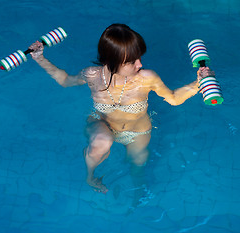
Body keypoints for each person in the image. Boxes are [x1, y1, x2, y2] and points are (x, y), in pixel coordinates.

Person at [29, 23, 213, 194]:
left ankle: (137, 195)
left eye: (139, 57)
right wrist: (40, 58)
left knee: (138, 166)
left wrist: (199, 82)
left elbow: (172, 98)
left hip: (137, 133)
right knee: (102, 140)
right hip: (102, 124)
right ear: (112, 60)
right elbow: (65, 81)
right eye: (132, 61)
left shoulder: (146, 78)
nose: (139, 64)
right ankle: (90, 177)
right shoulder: (92, 75)